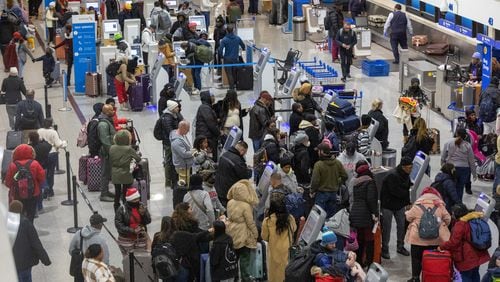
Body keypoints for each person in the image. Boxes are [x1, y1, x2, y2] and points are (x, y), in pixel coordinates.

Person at [405, 187, 451, 282]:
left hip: (417, 239)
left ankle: (415, 278)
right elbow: (448, 219)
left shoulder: (417, 205)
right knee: (432, 260)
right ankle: (430, 277)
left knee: (416, 258)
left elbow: (408, 217)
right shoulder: (440, 205)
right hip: (436, 239)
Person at [438, 203, 490, 281]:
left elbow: (454, 242)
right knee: (475, 274)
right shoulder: (472, 218)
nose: (452, 215)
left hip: (466, 258)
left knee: (465, 277)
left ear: (456, 214)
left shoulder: (460, 225)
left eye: (453, 213)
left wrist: (441, 246)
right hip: (477, 253)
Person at [225, 179, 259, 282]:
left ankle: (234, 277)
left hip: (231, 230)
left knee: (234, 257)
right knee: (245, 258)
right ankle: (245, 278)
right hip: (243, 232)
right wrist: (255, 233)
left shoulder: (230, 202)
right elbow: (250, 222)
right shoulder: (246, 205)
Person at [10, 200, 51, 282]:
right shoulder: (26, 223)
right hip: (25, 262)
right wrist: (45, 259)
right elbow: (36, 243)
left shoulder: (4, 223)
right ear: (21, 210)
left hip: (11, 262)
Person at [380, 156, 413, 259]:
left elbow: (406, 189)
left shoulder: (406, 175)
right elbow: (396, 191)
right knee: (387, 228)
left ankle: (400, 246)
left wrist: (408, 202)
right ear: (403, 167)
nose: (411, 169)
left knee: (402, 226)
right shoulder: (392, 175)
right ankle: (385, 249)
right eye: (409, 167)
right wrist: (404, 196)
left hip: (399, 205)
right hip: (388, 205)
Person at [5, 144, 46, 222]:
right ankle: (29, 229)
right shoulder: (35, 163)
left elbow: (8, 183)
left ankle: (21, 231)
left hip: (17, 195)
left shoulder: (12, 166)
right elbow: (42, 178)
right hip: (33, 194)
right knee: (31, 216)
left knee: (18, 217)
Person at [349, 161, 378, 268]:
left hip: (355, 214)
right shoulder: (370, 181)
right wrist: (375, 213)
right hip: (366, 215)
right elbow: (371, 199)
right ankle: (370, 263)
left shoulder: (356, 182)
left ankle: (359, 263)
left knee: (360, 241)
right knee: (369, 240)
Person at [262, 199, 297, 282]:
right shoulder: (290, 218)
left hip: (273, 249)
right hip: (286, 248)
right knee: (285, 270)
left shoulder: (267, 221)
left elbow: (264, 237)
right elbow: (294, 229)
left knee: (273, 271)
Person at [311, 143, 348, 219]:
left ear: (322, 152)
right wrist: (337, 182)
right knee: (331, 218)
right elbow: (345, 176)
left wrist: (312, 190)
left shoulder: (318, 165)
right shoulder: (337, 163)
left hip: (321, 194)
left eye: (318, 151)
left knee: (318, 217)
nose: (318, 153)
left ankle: (321, 230)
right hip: (333, 194)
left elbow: (315, 181)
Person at [109, 130, 142, 211]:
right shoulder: (128, 149)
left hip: (115, 173)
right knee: (125, 192)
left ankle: (116, 208)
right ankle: (125, 208)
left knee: (117, 192)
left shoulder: (112, 148)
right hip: (126, 174)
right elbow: (138, 159)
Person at [441, 128, 477, 199]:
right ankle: (458, 205)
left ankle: (449, 205)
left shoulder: (448, 142)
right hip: (464, 170)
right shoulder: (468, 145)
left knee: (450, 188)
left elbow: (443, 156)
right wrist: (474, 173)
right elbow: (471, 161)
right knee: (460, 188)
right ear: (465, 136)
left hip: (450, 168)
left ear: (456, 133)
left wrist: (442, 165)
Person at [115, 187, 151, 254]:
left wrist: (143, 214)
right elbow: (119, 225)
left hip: (141, 237)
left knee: (142, 258)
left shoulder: (141, 206)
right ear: (129, 200)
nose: (137, 201)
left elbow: (148, 221)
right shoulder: (122, 209)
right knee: (128, 260)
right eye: (134, 199)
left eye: (138, 198)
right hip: (126, 239)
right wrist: (132, 230)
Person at [216, 141, 252, 207]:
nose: (244, 154)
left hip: (219, 188)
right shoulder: (237, 161)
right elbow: (245, 175)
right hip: (229, 191)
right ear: (242, 151)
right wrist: (249, 170)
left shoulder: (225, 154)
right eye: (245, 152)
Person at [38, 118, 67, 198]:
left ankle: (44, 186)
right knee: (50, 173)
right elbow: (58, 144)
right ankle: (50, 189)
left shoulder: (39, 131)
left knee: (42, 171)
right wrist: (64, 143)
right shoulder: (53, 132)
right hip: (52, 154)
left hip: (42, 154)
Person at [159, 100, 184, 187]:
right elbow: (170, 131)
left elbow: (182, 122)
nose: (178, 108)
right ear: (172, 108)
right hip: (169, 143)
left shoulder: (174, 115)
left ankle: (173, 178)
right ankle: (168, 181)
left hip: (173, 141)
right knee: (169, 161)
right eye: (177, 107)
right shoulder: (167, 118)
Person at [97, 104, 117, 202]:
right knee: (105, 173)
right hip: (106, 152)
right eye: (111, 110)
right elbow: (105, 140)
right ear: (106, 112)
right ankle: (103, 194)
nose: (113, 112)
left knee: (108, 172)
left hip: (109, 150)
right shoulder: (103, 124)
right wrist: (111, 151)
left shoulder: (107, 121)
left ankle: (106, 191)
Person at [28, 132, 50, 210]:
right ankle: (45, 186)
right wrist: (43, 141)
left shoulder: (29, 148)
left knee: (36, 189)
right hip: (43, 167)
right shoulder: (43, 146)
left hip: (32, 169)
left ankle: (38, 206)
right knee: (41, 184)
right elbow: (49, 146)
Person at [218, 25, 245, 90]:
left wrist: (221, 56)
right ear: (233, 30)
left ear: (226, 31)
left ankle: (232, 88)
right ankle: (235, 85)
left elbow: (220, 50)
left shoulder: (224, 40)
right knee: (234, 73)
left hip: (227, 59)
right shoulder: (237, 38)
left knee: (229, 74)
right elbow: (243, 46)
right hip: (235, 59)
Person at [196, 91, 220, 160]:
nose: (213, 98)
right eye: (212, 96)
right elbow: (211, 123)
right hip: (207, 138)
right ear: (207, 98)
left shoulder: (207, 107)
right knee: (210, 158)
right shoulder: (205, 108)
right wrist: (218, 133)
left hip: (208, 136)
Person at [170, 120, 194, 186]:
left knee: (187, 182)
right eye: (187, 129)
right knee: (184, 186)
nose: (188, 131)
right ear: (182, 128)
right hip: (182, 166)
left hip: (185, 165)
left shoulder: (182, 135)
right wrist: (193, 152)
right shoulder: (177, 141)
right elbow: (184, 154)